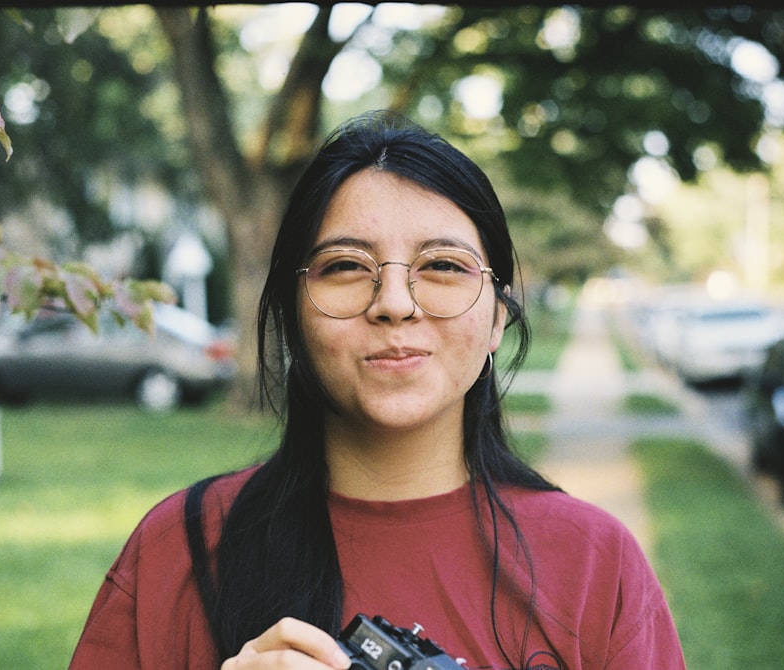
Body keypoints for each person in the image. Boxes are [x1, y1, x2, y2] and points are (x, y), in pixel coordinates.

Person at [69, 110, 686, 670]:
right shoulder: (179, 551)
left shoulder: (594, 565)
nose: (394, 303)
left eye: (442, 266)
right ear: (294, 316)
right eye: (345, 267)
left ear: (497, 317)